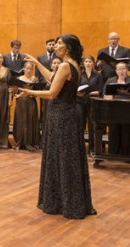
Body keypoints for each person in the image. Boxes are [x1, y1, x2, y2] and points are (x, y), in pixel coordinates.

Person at [18, 34, 96, 219]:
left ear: (67, 48)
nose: (56, 46)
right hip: (68, 116)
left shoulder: (64, 65)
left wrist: (29, 91)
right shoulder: (73, 65)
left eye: (60, 43)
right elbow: (53, 78)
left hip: (60, 117)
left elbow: (52, 93)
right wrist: (37, 63)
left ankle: (59, 202)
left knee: (59, 158)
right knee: (68, 159)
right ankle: (71, 201)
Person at [12, 62, 40, 151]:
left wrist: (30, 92)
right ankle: (19, 142)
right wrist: (15, 90)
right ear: (23, 69)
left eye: (30, 69)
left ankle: (30, 143)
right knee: (20, 121)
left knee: (30, 120)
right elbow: (15, 92)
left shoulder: (35, 79)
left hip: (31, 102)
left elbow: (36, 93)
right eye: (27, 68)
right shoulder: (18, 79)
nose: (28, 70)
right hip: (20, 102)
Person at [103, 61, 130, 156]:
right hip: (114, 111)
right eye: (119, 69)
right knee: (114, 132)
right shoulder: (111, 81)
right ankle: (113, 154)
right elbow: (104, 94)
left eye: (123, 69)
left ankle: (126, 155)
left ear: (127, 70)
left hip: (127, 111)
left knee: (127, 133)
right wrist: (109, 97)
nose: (121, 71)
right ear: (116, 71)